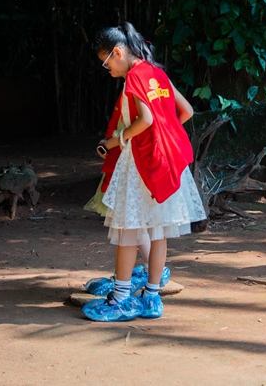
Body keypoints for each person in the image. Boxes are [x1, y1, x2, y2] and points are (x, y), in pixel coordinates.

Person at [83, 22, 207, 321]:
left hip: (141, 159)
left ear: (118, 52)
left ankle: (122, 298)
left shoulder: (134, 77)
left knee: (128, 230)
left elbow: (147, 120)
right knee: (157, 229)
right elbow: (186, 111)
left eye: (106, 61)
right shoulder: (157, 73)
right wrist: (166, 134)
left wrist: (115, 141)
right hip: (166, 159)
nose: (107, 68)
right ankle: (151, 297)